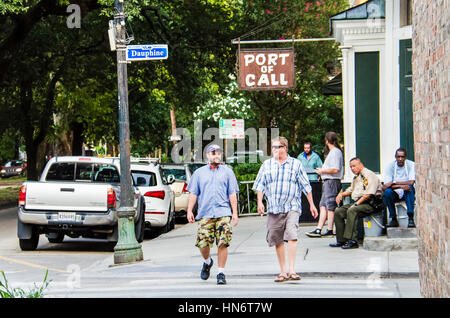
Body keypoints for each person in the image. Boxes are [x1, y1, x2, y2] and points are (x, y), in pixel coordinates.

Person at [253, 136, 318, 282]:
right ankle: (283, 272)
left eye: (277, 147)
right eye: (273, 147)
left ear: (285, 148)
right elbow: (260, 185)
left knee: (292, 235)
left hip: (292, 206)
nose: (275, 150)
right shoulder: (267, 165)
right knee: (277, 239)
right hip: (274, 207)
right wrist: (259, 202)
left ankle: (292, 270)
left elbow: (306, 186)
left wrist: (312, 204)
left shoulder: (296, 164)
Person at [186, 144, 239, 285]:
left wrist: (234, 213)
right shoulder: (199, 173)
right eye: (213, 153)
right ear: (207, 156)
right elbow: (193, 193)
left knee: (223, 243)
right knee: (203, 244)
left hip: (223, 213)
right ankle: (207, 262)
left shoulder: (228, 172)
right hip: (205, 213)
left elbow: (232, 194)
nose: (217, 155)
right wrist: (189, 210)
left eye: (219, 153)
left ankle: (221, 273)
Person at [330, 157, 382, 249]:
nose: (352, 168)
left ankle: (353, 240)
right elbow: (351, 190)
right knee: (338, 211)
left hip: (371, 204)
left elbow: (368, 194)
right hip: (360, 202)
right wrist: (341, 194)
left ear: (360, 164)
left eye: (354, 166)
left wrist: (356, 204)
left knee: (352, 210)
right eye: (350, 167)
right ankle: (341, 240)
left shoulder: (369, 175)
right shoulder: (357, 177)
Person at [306, 132, 344, 238]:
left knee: (330, 206)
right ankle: (319, 229)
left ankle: (330, 229)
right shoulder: (333, 152)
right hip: (327, 181)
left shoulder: (335, 152)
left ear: (327, 141)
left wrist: (322, 171)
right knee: (323, 205)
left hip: (332, 181)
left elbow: (336, 169)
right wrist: (322, 172)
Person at [382, 148, 416, 228]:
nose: (400, 159)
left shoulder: (411, 165)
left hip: (407, 192)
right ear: (395, 157)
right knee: (387, 192)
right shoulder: (390, 166)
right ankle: (393, 219)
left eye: (402, 157)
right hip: (395, 192)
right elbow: (386, 186)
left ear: (405, 157)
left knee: (409, 188)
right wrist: (401, 186)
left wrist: (394, 183)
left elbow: (411, 182)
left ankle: (410, 218)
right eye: (398, 157)